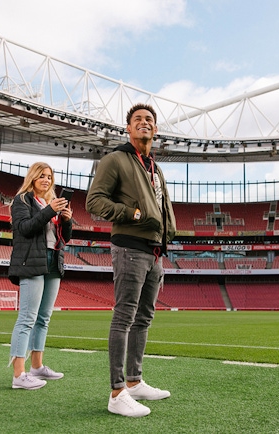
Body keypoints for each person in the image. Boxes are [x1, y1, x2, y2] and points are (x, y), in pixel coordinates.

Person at [86, 103, 177, 417]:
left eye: (149, 119)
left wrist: (167, 233)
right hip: (129, 247)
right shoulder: (116, 159)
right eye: (137, 119)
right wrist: (132, 214)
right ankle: (116, 392)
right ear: (128, 128)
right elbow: (94, 200)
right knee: (124, 316)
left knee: (144, 318)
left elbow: (162, 206)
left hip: (154, 251)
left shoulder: (154, 166)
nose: (144, 123)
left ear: (155, 129)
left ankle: (135, 381)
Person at [8, 161, 73, 390]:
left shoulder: (49, 203)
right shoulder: (22, 200)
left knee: (44, 318)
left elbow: (64, 237)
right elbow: (25, 228)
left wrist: (66, 220)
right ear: (32, 178)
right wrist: (50, 211)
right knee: (27, 318)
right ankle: (19, 375)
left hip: (53, 261)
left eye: (49, 176)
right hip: (32, 262)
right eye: (42, 176)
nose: (46, 180)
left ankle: (37, 366)